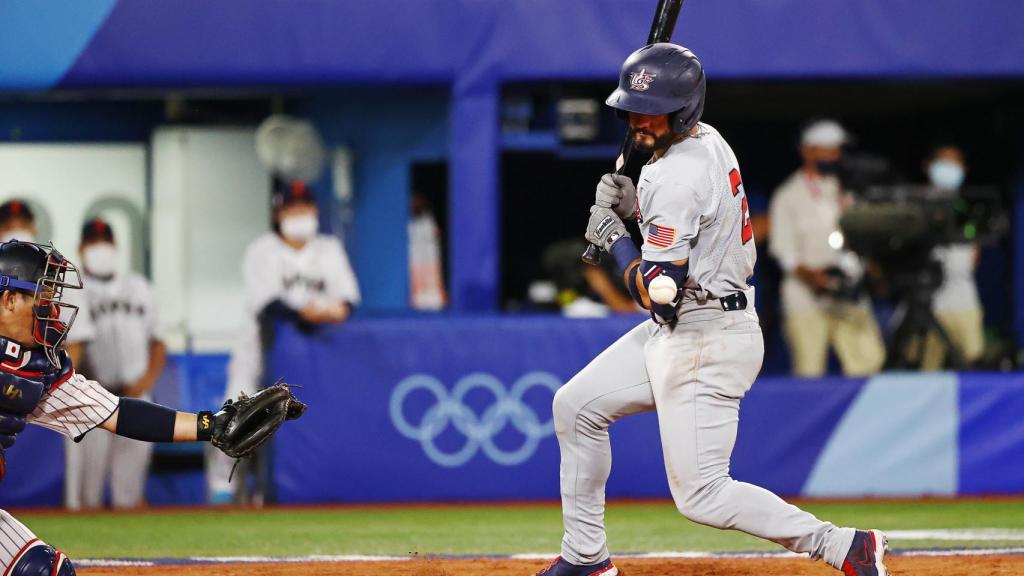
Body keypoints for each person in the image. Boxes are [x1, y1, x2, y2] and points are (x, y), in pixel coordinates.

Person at [535, 44, 888, 576]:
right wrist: (636, 208)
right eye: (632, 108)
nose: (637, 120)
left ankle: (843, 545)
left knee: (703, 494)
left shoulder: (675, 176)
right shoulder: (705, 140)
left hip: (706, 334)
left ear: (683, 110)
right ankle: (586, 559)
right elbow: (691, 222)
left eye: (651, 110)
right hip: (690, 324)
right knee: (576, 407)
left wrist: (616, 241)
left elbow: (657, 291)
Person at [0, 239, 302, 574]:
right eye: (43, 299)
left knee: (46, 571)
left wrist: (212, 425)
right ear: (9, 300)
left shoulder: (38, 367)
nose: (53, 312)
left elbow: (119, 413)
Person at [208, 180, 360, 503]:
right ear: (279, 213)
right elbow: (269, 303)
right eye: (292, 208)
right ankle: (223, 487)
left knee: (295, 423)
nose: (300, 214)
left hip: (311, 350)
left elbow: (348, 299)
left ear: (315, 210)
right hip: (258, 346)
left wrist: (333, 311)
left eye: (304, 207)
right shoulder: (262, 250)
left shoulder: (329, 249)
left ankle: (267, 494)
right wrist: (310, 312)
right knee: (235, 410)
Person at [768, 120, 885, 377]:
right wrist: (814, 278)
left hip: (849, 292)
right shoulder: (788, 195)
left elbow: (863, 238)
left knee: (870, 364)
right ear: (808, 151)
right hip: (806, 297)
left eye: (837, 150)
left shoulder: (850, 190)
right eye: (828, 150)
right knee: (809, 371)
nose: (834, 156)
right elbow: (785, 253)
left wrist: (860, 272)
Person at [64, 218, 166, 509]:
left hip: (136, 396)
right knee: (87, 495)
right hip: (92, 399)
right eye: (93, 242)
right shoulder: (73, 288)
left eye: (105, 241)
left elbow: (158, 342)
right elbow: (75, 348)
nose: (100, 248)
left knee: (129, 494)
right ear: (81, 248)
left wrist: (145, 382)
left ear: (115, 246)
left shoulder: (139, 286)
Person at [0, 200, 95, 368]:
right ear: (10, 299)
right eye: (9, 226)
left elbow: (75, 341)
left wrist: (57, 376)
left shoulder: (53, 272)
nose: (17, 230)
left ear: (33, 228)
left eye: (23, 224)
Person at [919, 144, 984, 369]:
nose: (950, 168)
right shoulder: (917, 205)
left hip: (965, 302)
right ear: (928, 167)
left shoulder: (969, 209)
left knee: (974, 363)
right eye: (944, 162)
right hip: (929, 304)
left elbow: (973, 258)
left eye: (955, 162)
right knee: (927, 369)